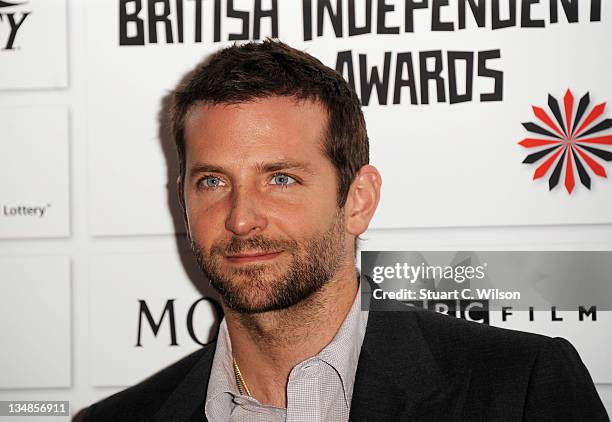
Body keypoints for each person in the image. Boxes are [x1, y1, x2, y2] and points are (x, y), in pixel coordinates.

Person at [81, 39, 609, 422]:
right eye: (213, 180)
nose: (241, 218)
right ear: (183, 198)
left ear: (359, 200)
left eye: (280, 178)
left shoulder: (519, 389)